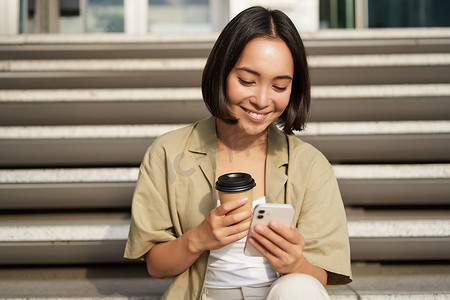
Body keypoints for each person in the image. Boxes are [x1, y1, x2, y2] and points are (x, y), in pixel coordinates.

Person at [124, 6, 352, 300]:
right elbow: (156, 265)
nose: (261, 100)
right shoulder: (168, 153)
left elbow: (318, 277)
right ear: (222, 72)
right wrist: (200, 238)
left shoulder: (310, 165)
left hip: (281, 294)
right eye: (246, 81)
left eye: (280, 86)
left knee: (299, 287)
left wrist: (294, 262)